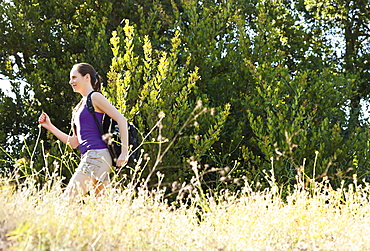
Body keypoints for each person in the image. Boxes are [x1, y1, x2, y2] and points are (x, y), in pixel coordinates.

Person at [38, 63, 129, 202]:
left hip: (96, 156)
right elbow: (74, 143)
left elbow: (121, 119)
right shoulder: (79, 107)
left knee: (67, 201)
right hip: (92, 156)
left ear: (87, 77)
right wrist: (49, 126)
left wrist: (124, 152)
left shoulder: (95, 97)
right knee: (103, 210)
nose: (71, 81)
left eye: (74, 77)